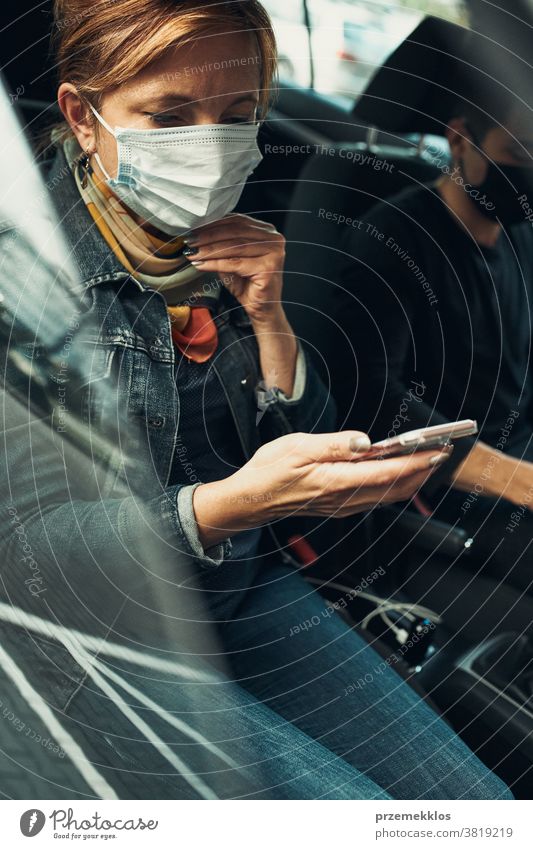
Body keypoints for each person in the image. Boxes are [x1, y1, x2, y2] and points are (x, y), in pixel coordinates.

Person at [0, 0, 511, 800]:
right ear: (84, 116)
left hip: (236, 588)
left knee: (475, 806)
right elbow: (27, 562)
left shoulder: (218, 245)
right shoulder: (26, 284)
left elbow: (301, 434)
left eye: (236, 115)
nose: (206, 150)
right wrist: (223, 506)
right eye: (169, 116)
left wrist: (271, 320)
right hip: (102, 639)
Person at [335, 42, 533, 597]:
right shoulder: (392, 239)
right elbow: (374, 399)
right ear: (459, 139)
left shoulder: (522, 238)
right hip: (454, 488)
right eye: (520, 151)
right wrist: (520, 482)